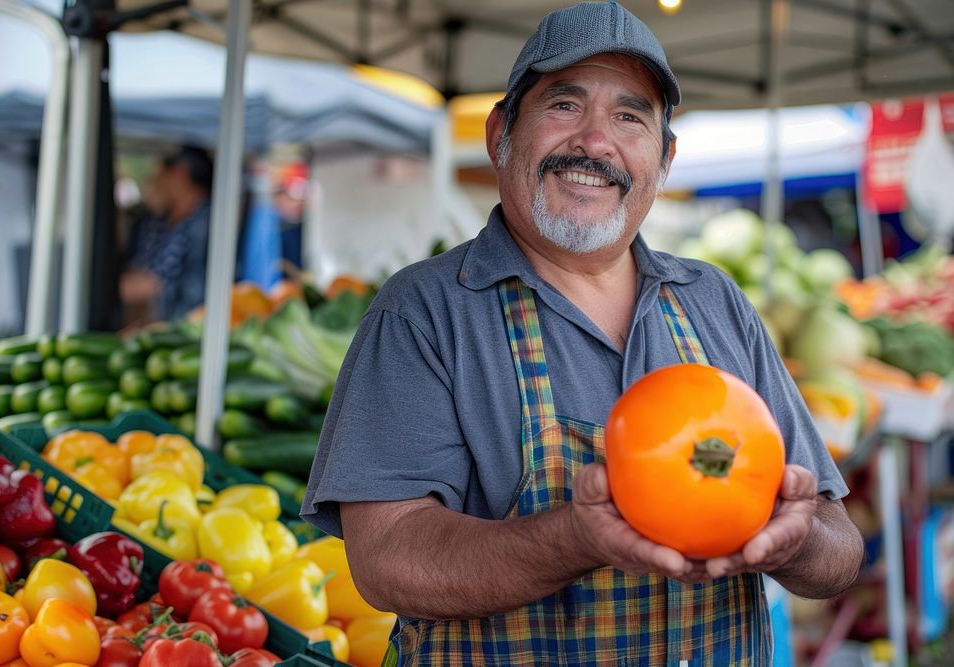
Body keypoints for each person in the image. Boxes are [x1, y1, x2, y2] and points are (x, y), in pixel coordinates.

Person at [301, 2, 864, 664]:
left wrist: (795, 541)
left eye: (630, 117)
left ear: (666, 156)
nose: (596, 143)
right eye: (565, 106)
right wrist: (575, 537)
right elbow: (387, 558)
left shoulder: (715, 301)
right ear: (500, 132)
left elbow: (838, 543)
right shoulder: (422, 312)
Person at [120, 145, 213, 324]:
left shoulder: (203, 222)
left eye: (160, 174)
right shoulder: (162, 220)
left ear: (180, 173)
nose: (153, 181)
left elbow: (153, 282)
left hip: (187, 327)